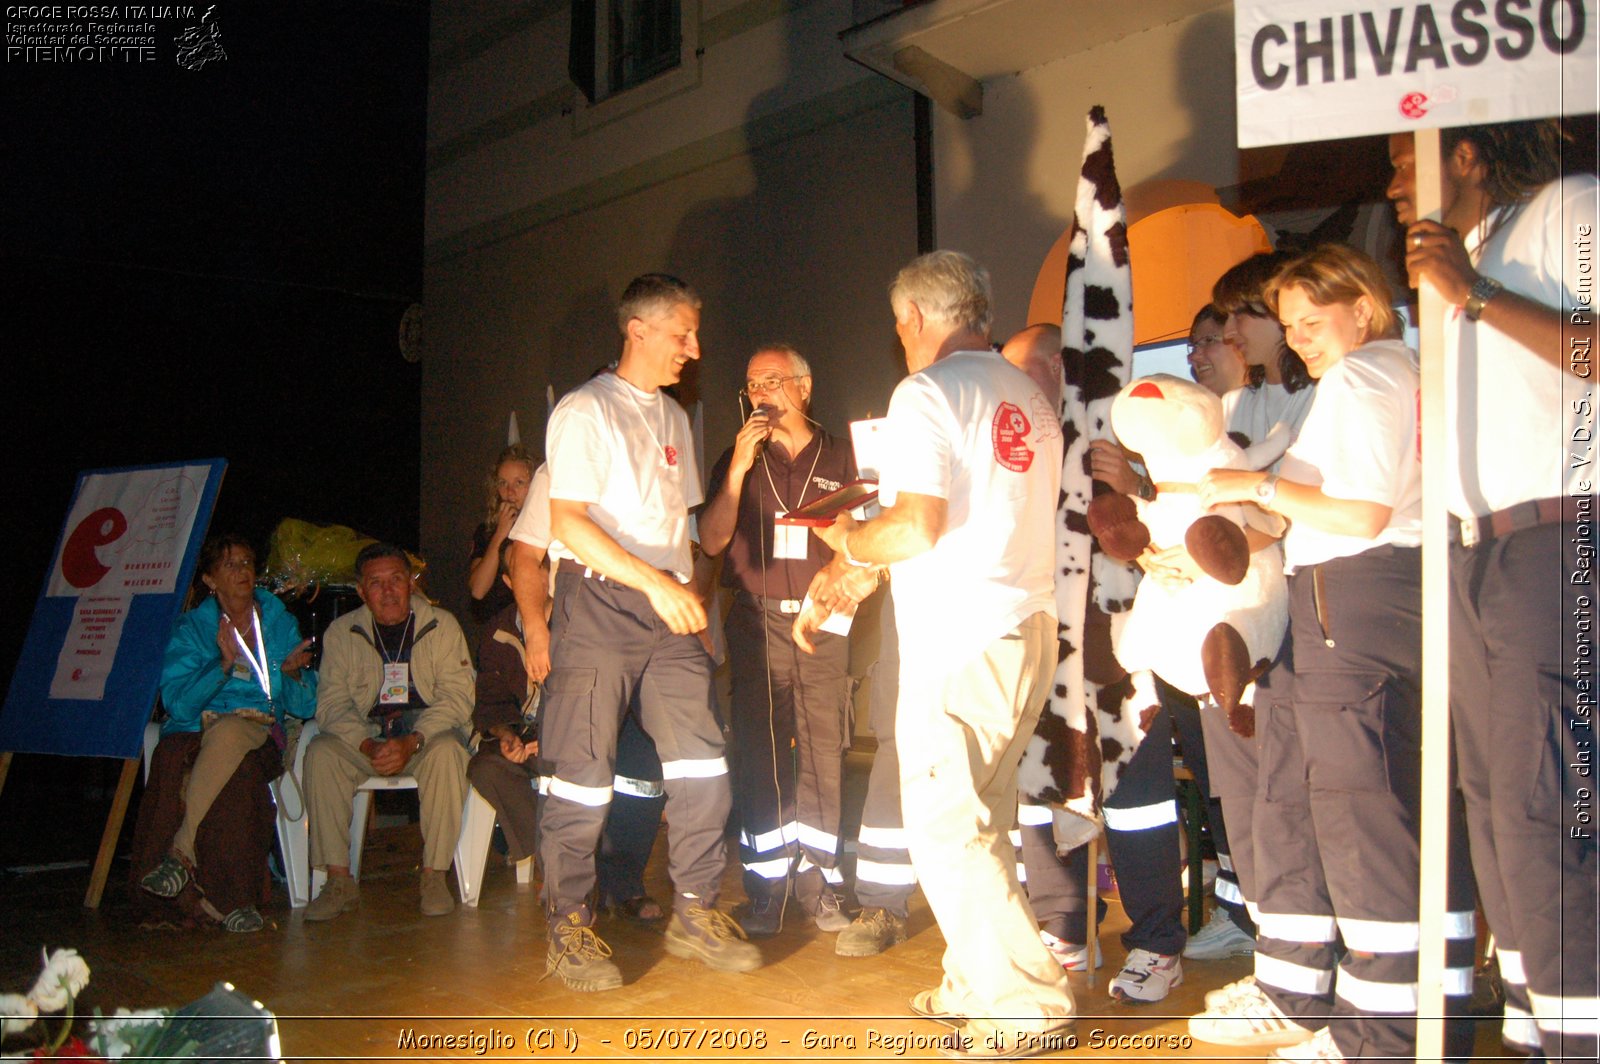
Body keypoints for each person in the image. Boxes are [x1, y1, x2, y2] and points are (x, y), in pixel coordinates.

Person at [1189, 244, 1476, 1062]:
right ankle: (1427, 1027)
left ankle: (1378, 1041)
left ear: (1363, 303)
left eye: (1313, 321)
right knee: (1411, 819)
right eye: (1290, 326)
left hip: (1352, 601)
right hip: (1405, 595)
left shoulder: (1359, 378)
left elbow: (1357, 515)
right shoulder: (1409, 368)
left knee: (1362, 818)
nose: (1302, 339)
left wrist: (1257, 488)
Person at [810, 250, 1070, 1056]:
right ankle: (973, 982)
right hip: (1024, 630)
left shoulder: (925, 394)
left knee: (947, 830)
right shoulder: (1025, 392)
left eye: (899, 324)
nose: (900, 338)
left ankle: (1024, 1009)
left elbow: (915, 527)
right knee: (982, 822)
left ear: (918, 318)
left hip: (960, 641)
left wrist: (845, 536)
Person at [1392, 120, 1597, 1063]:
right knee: (1490, 798)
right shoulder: (1461, 263)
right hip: (1475, 554)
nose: (1395, 182)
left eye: (1405, 159)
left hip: (1557, 534)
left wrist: (1474, 295)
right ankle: (1537, 1016)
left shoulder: (1567, 209)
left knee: (1543, 794)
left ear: (1462, 155)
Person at [538, 273, 759, 991]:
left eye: (695, 335)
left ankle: (695, 909)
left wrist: (694, 599)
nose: (694, 350)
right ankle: (569, 926)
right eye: (682, 334)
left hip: (668, 612)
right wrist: (657, 584)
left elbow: (685, 533)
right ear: (638, 329)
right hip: (599, 603)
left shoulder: (670, 417)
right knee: (582, 775)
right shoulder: (584, 410)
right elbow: (567, 523)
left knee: (702, 762)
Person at [698, 343, 858, 937]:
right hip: (756, 620)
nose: (761, 393)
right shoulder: (736, 458)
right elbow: (712, 542)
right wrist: (737, 470)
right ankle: (766, 884)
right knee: (760, 750)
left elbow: (867, 539)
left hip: (822, 620)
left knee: (823, 750)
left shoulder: (843, 454)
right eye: (752, 384)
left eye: (773, 381)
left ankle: (821, 883)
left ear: (805, 385)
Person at [487, 467, 668, 921]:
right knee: (571, 780)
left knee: (640, 776)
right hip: (579, 647)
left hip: (638, 637)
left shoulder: (652, 458)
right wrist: (536, 630)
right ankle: (571, 899)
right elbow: (522, 555)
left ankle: (626, 882)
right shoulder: (561, 469)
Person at [131, 534, 317, 933]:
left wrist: (292, 676)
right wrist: (221, 666)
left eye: (248, 562)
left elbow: (306, 706)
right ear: (210, 579)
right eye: (230, 565)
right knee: (198, 765)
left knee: (238, 746)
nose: (243, 571)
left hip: (262, 730)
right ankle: (230, 902)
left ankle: (180, 854)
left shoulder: (277, 620)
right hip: (195, 728)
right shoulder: (192, 629)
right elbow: (178, 705)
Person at [302, 542, 473, 920]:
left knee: (448, 752)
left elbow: (459, 698)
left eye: (396, 579)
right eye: (376, 584)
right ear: (361, 592)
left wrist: (412, 741)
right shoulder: (341, 632)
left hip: (423, 735)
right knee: (321, 753)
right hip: (367, 737)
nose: (388, 591)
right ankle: (338, 880)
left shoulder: (441, 625)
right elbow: (330, 705)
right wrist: (365, 743)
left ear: (411, 583)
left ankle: (433, 875)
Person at [466, 444, 533, 625]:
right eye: (503, 483)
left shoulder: (542, 529)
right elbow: (478, 590)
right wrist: (500, 534)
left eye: (519, 483)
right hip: (497, 631)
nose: (509, 492)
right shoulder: (486, 531)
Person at [1186, 304, 1249, 398]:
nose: (1193, 357)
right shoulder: (1188, 410)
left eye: (1209, 340)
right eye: (1194, 347)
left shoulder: (1273, 405)